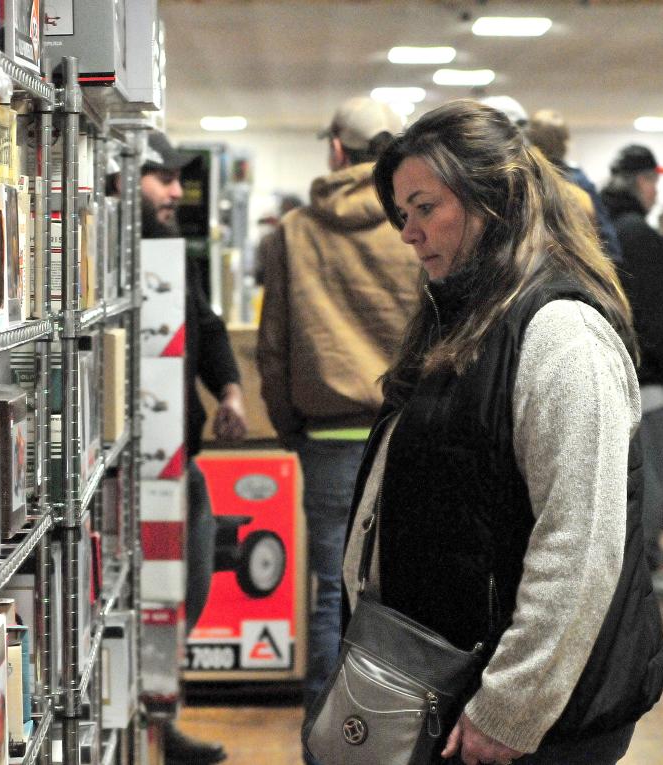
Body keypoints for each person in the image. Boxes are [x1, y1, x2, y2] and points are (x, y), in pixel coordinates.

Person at [336, 99, 663, 764]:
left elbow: (580, 545)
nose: (408, 232)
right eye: (404, 213)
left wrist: (509, 708)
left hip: (535, 723)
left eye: (425, 207)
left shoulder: (560, 334)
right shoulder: (465, 317)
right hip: (451, 679)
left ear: (493, 199)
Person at [256, 95, 421, 732]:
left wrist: (292, 427)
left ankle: (326, 746)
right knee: (405, 601)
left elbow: (274, 347)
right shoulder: (414, 225)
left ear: (335, 150)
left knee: (333, 596)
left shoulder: (294, 233)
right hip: (408, 434)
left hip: (329, 438)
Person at [140, 129, 247, 765]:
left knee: (189, 591)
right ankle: (151, 725)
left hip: (181, 461)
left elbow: (205, 326)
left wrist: (231, 392)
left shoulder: (174, 251)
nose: (177, 191)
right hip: (130, 470)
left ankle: (159, 717)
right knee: (153, 599)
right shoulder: (108, 251)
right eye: (164, 177)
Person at [600, 144, 663, 598]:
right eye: (654, 181)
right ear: (641, 183)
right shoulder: (638, 235)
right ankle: (644, 573)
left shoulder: (607, 226)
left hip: (625, 373)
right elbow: (656, 313)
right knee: (650, 477)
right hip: (649, 381)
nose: (657, 190)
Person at [525, 108, 623, 263]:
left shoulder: (523, 182)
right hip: (578, 267)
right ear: (565, 142)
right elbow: (608, 244)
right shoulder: (580, 184)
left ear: (530, 141)